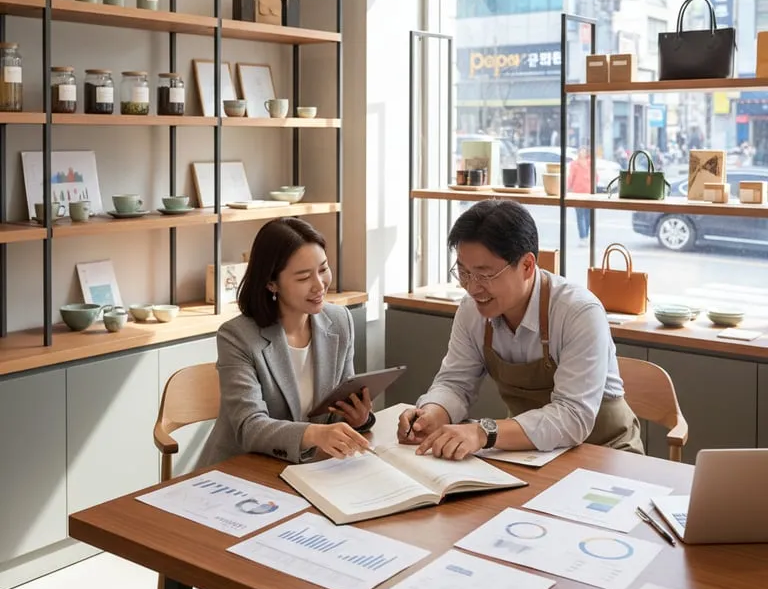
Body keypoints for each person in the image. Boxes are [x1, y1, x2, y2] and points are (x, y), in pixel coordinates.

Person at [397, 200, 642, 460]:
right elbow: (455, 383)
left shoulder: (578, 312)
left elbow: (572, 416)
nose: (472, 287)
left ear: (526, 265)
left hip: (605, 453)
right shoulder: (472, 311)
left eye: (484, 274)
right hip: (527, 453)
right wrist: (434, 413)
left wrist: (482, 433)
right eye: (463, 272)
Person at [198, 217, 374, 470]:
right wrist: (314, 434)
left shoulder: (339, 321)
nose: (319, 285)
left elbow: (335, 412)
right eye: (303, 278)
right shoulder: (237, 337)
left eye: (323, 269)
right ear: (272, 283)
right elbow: (250, 427)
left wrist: (357, 418)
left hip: (311, 469)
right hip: (243, 470)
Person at [567, 147, 592, 245]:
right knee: (580, 216)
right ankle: (583, 237)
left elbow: (596, 176)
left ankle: (586, 236)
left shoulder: (590, 163)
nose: (582, 152)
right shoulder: (574, 164)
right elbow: (571, 177)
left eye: (584, 150)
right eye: (580, 151)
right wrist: (568, 188)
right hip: (577, 193)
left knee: (587, 216)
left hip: (589, 193)